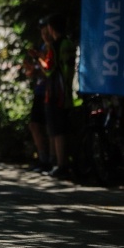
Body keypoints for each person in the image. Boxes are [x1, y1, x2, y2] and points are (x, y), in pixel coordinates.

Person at [38, 13, 76, 178]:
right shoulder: (69, 43)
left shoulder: (55, 46)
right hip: (67, 91)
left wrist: (40, 58)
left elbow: (48, 69)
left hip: (55, 93)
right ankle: (59, 162)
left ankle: (60, 164)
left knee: (56, 130)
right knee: (61, 129)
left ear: (51, 28)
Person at [25, 17, 54, 172]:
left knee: (49, 127)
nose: (44, 35)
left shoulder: (52, 47)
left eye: (46, 31)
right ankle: (43, 158)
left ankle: (51, 160)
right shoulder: (44, 46)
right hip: (39, 90)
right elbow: (40, 70)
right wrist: (32, 69)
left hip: (50, 91)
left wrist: (38, 58)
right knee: (35, 125)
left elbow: (49, 70)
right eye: (42, 32)